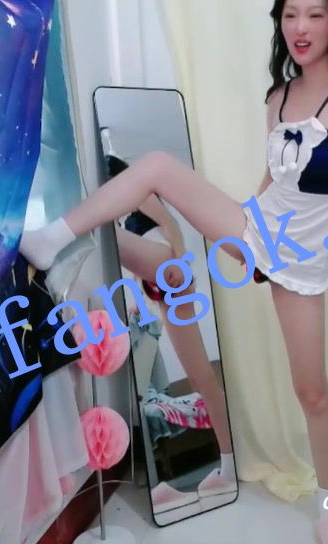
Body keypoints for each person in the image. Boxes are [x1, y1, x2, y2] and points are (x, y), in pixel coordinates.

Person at [21, 0, 328, 541]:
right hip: (257, 231)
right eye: (290, 14)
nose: (300, 27)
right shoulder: (278, 97)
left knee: (312, 392)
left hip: (301, 264)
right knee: (157, 167)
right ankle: (51, 238)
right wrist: (238, 234)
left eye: (315, 15)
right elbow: (275, 179)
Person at [109, 154, 238, 502]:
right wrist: (139, 297)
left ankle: (230, 463)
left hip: (169, 269)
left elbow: (170, 223)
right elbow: (136, 265)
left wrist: (181, 263)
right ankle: (228, 462)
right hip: (160, 280)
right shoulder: (121, 211)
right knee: (199, 378)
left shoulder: (138, 191)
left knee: (203, 379)